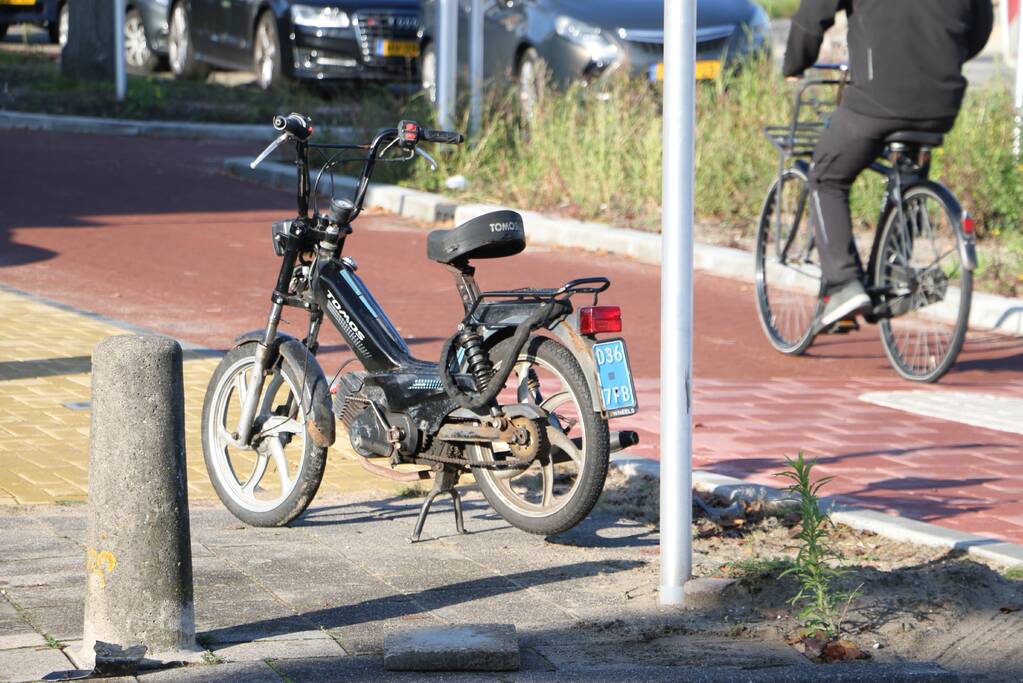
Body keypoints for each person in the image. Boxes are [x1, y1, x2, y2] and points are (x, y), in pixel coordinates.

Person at [783, 0, 993, 327]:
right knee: (908, 170)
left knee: (826, 177)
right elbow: (980, 30)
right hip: (941, 99)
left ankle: (842, 284)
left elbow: (814, 13)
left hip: (875, 99)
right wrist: (939, 60)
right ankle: (894, 274)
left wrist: (795, 63)